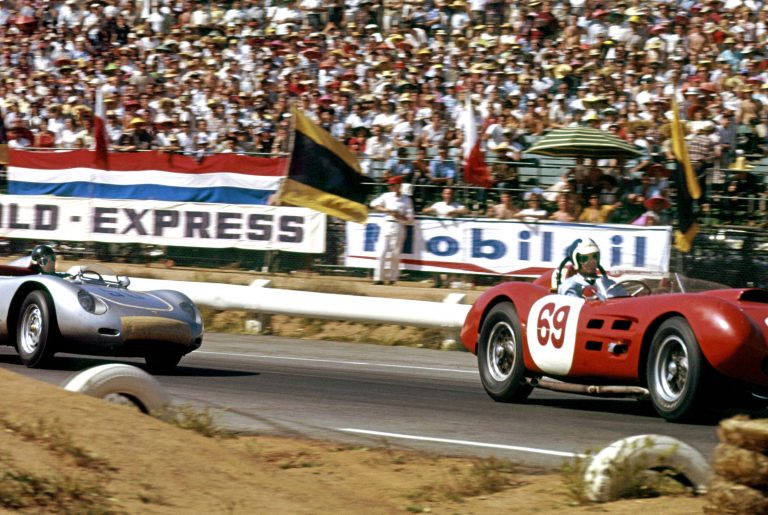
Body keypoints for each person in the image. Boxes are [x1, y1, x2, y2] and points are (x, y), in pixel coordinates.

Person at [369, 176, 415, 285]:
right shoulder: (386, 196)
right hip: (386, 224)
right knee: (381, 252)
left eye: (393, 185)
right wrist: (386, 210)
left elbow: (410, 219)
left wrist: (399, 216)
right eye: (390, 185)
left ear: (399, 186)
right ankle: (378, 278)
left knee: (395, 254)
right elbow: (373, 204)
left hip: (399, 225)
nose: (390, 187)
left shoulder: (407, 200)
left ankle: (393, 278)